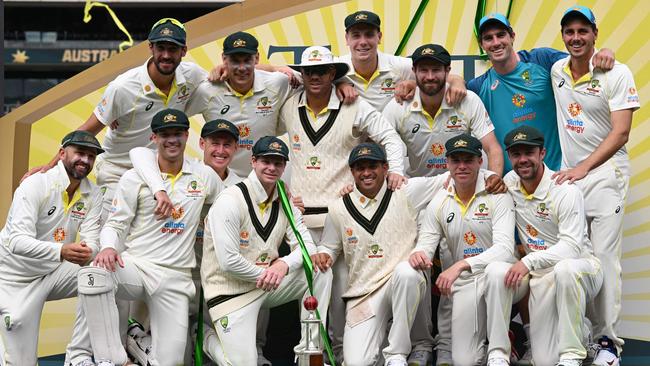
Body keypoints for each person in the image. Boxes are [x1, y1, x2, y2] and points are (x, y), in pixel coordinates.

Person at [73, 109, 223, 365]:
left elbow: (230, 207)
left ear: (187, 135)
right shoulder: (134, 177)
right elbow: (115, 224)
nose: (172, 140)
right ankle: (115, 358)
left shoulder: (204, 176)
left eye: (177, 133)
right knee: (96, 273)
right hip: (137, 266)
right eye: (165, 134)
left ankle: (134, 339)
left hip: (175, 276)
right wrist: (108, 247)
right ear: (154, 137)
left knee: (171, 363)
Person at [23, 18, 208, 223]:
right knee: (109, 239)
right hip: (116, 170)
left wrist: (221, 71)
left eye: (172, 49)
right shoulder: (122, 87)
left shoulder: (192, 75)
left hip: (156, 172)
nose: (165, 55)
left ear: (183, 51)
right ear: (150, 48)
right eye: (160, 47)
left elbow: (218, 84)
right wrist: (50, 167)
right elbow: (86, 131)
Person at [550, 6, 640, 365]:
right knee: (573, 258)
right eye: (569, 31)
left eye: (582, 31)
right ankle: (581, 338)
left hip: (605, 175)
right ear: (562, 36)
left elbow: (621, 133)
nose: (576, 38)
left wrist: (585, 167)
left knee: (604, 259)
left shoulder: (616, 73)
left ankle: (607, 343)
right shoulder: (557, 69)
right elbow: (514, 55)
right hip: (571, 177)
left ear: (595, 33)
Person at [200, 136, 332, 365]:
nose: (272, 167)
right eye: (266, 161)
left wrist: (283, 264)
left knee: (320, 270)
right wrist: (266, 274)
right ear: (253, 161)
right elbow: (228, 261)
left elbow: (306, 245)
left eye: (278, 162)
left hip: (267, 284)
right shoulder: (230, 200)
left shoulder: (284, 198)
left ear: (284, 166)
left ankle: (308, 354)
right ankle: (204, 335)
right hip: (231, 293)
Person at [314, 142, 450, 366]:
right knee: (357, 362)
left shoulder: (405, 191)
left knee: (408, 273)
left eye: (373, 166)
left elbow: (449, 179)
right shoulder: (338, 207)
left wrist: (489, 179)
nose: (366, 173)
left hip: (399, 278)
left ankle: (396, 353)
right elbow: (329, 246)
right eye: (360, 168)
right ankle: (383, 346)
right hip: (364, 291)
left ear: (385, 167)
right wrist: (323, 253)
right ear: (352, 172)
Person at [126, 119, 242, 365]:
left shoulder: (238, 187)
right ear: (201, 143)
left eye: (227, 144)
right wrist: (159, 190)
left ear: (237, 148)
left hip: (211, 279)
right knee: (140, 334)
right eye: (214, 143)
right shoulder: (180, 170)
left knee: (189, 354)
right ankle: (129, 341)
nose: (220, 150)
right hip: (169, 271)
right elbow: (138, 153)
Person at [410, 134, 520, 366]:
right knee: (464, 361)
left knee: (496, 272)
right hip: (466, 283)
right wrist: (420, 254)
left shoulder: (496, 191)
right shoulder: (439, 200)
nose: (462, 166)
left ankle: (499, 353)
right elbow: (427, 243)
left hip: (506, 278)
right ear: (447, 164)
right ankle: (503, 339)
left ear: (480, 161)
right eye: (456, 160)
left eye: (468, 160)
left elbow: (505, 249)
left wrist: (460, 265)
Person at [0, 131, 103, 366]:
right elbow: (16, 241)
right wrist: (62, 251)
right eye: (80, 153)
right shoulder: (36, 185)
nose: (85, 161)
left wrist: (89, 251)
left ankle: (78, 357)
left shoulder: (93, 193)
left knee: (102, 274)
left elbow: (92, 240)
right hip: (12, 279)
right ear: (61, 153)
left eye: (91, 156)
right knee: (20, 363)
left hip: (52, 273)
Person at [503, 125, 603, 366]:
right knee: (545, 360)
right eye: (516, 154)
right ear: (510, 157)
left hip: (582, 267)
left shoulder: (565, 190)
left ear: (542, 153)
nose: (523, 160)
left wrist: (526, 261)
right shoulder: (509, 183)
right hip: (540, 276)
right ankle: (583, 331)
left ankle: (572, 354)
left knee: (565, 269)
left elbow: (570, 247)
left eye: (529, 152)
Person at [467, 13, 615, 174]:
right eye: (488, 38)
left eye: (501, 35)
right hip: (512, 185)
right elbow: (456, 91)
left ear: (512, 37)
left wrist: (602, 51)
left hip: (558, 175)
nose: (496, 42)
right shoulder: (479, 85)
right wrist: (454, 80)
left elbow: (580, 59)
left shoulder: (541, 59)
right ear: (482, 44)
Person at [383, 43, 503, 179]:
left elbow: (492, 149)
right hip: (419, 187)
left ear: (447, 71)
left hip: (461, 186)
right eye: (423, 70)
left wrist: (494, 180)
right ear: (414, 71)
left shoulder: (468, 100)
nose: (430, 76)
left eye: (436, 70)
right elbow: (379, 148)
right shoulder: (398, 105)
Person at [187, 31, 297, 178]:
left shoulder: (276, 83)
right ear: (224, 59)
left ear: (256, 58)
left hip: (262, 181)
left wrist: (340, 82)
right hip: (219, 180)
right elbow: (177, 114)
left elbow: (317, 80)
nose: (241, 68)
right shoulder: (208, 90)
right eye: (234, 61)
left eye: (247, 60)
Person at [339, 10, 466, 112]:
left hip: (392, 138)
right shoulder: (336, 68)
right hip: (352, 140)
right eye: (356, 35)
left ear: (379, 37)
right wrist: (337, 84)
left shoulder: (398, 65)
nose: (363, 42)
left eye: (369, 35)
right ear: (347, 39)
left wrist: (457, 83)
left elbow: (444, 77)